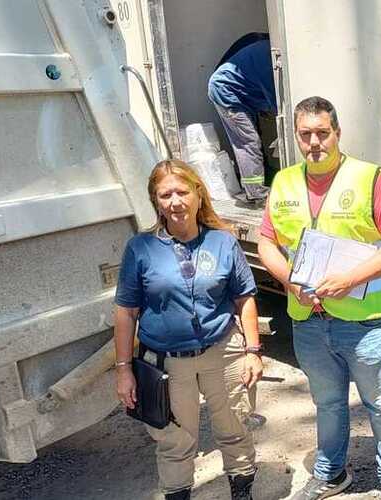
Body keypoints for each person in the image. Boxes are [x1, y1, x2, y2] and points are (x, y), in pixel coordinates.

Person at [257, 96, 381, 500]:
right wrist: (289, 281)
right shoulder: (285, 182)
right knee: (327, 403)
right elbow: (266, 243)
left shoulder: (367, 178)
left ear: (337, 133)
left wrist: (351, 279)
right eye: (305, 134)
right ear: (295, 136)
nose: (314, 142)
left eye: (322, 133)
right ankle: (331, 473)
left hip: (364, 323)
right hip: (309, 322)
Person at [114, 159, 264, 500]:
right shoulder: (140, 248)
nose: (175, 202)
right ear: (156, 202)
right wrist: (123, 370)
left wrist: (253, 351)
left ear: (198, 194)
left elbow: (245, 298)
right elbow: (126, 312)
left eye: (182, 192)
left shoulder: (223, 243)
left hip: (222, 352)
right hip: (167, 363)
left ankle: (242, 491)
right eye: (165, 195)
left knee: (235, 426)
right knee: (174, 440)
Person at [208, 37, 276, 207]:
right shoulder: (269, 58)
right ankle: (257, 194)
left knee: (253, 139)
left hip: (241, 93)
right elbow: (278, 101)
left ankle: (258, 184)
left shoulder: (266, 47)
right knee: (248, 141)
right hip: (226, 93)